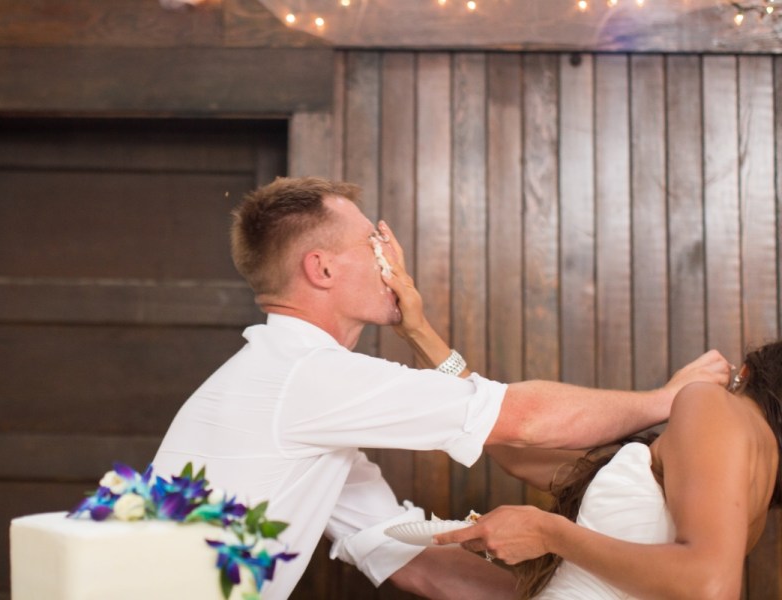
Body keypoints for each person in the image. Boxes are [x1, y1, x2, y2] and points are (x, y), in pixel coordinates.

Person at [151, 176, 730, 599]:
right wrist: (668, 397)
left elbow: (407, 556)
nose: (392, 261)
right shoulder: (309, 375)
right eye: (373, 246)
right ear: (322, 269)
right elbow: (522, 419)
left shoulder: (297, 385)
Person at [435, 341, 782, 599]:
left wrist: (549, 534)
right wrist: (421, 333)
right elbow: (518, 455)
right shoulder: (737, 496)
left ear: (744, 375)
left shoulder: (713, 405)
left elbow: (711, 585)